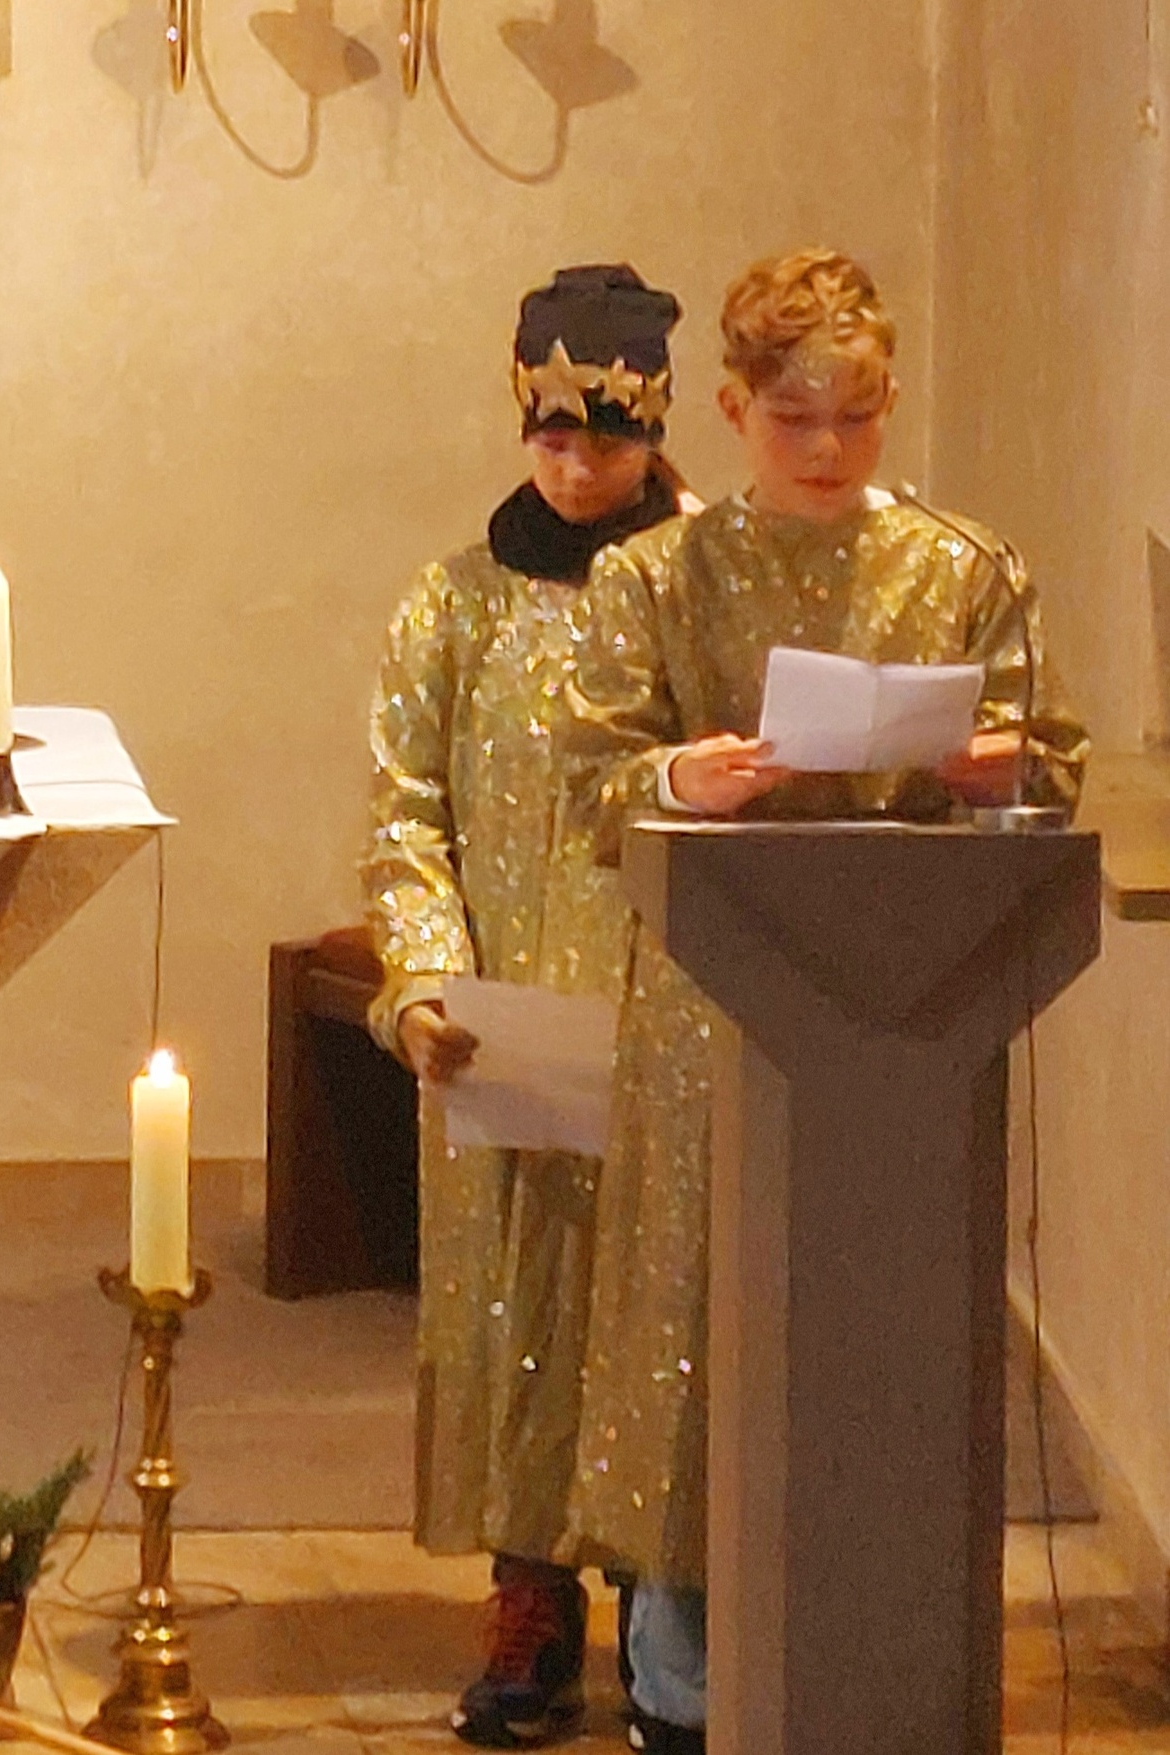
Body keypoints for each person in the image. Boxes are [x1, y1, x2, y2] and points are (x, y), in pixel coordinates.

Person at [558, 248, 1088, 1755]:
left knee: (877, 1344)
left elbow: (1050, 749)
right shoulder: (658, 574)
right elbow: (594, 775)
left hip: (913, 1016)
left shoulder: (959, 566)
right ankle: (678, 1686)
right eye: (795, 421)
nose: (829, 451)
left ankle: (896, 1666)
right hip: (714, 1011)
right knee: (701, 1343)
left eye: (856, 419)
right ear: (727, 409)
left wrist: (1000, 766)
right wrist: (684, 773)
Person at [365, 264, 688, 1749]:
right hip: (504, 1020)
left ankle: (676, 1616)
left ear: (658, 420)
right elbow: (408, 807)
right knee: (521, 1313)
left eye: (607, 440)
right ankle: (532, 1595)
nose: (578, 466)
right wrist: (420, 976)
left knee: (659, 1311)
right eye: (553, 437)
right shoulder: (453, 600)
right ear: (520, 417)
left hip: (667, 1008)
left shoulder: (701, 583)